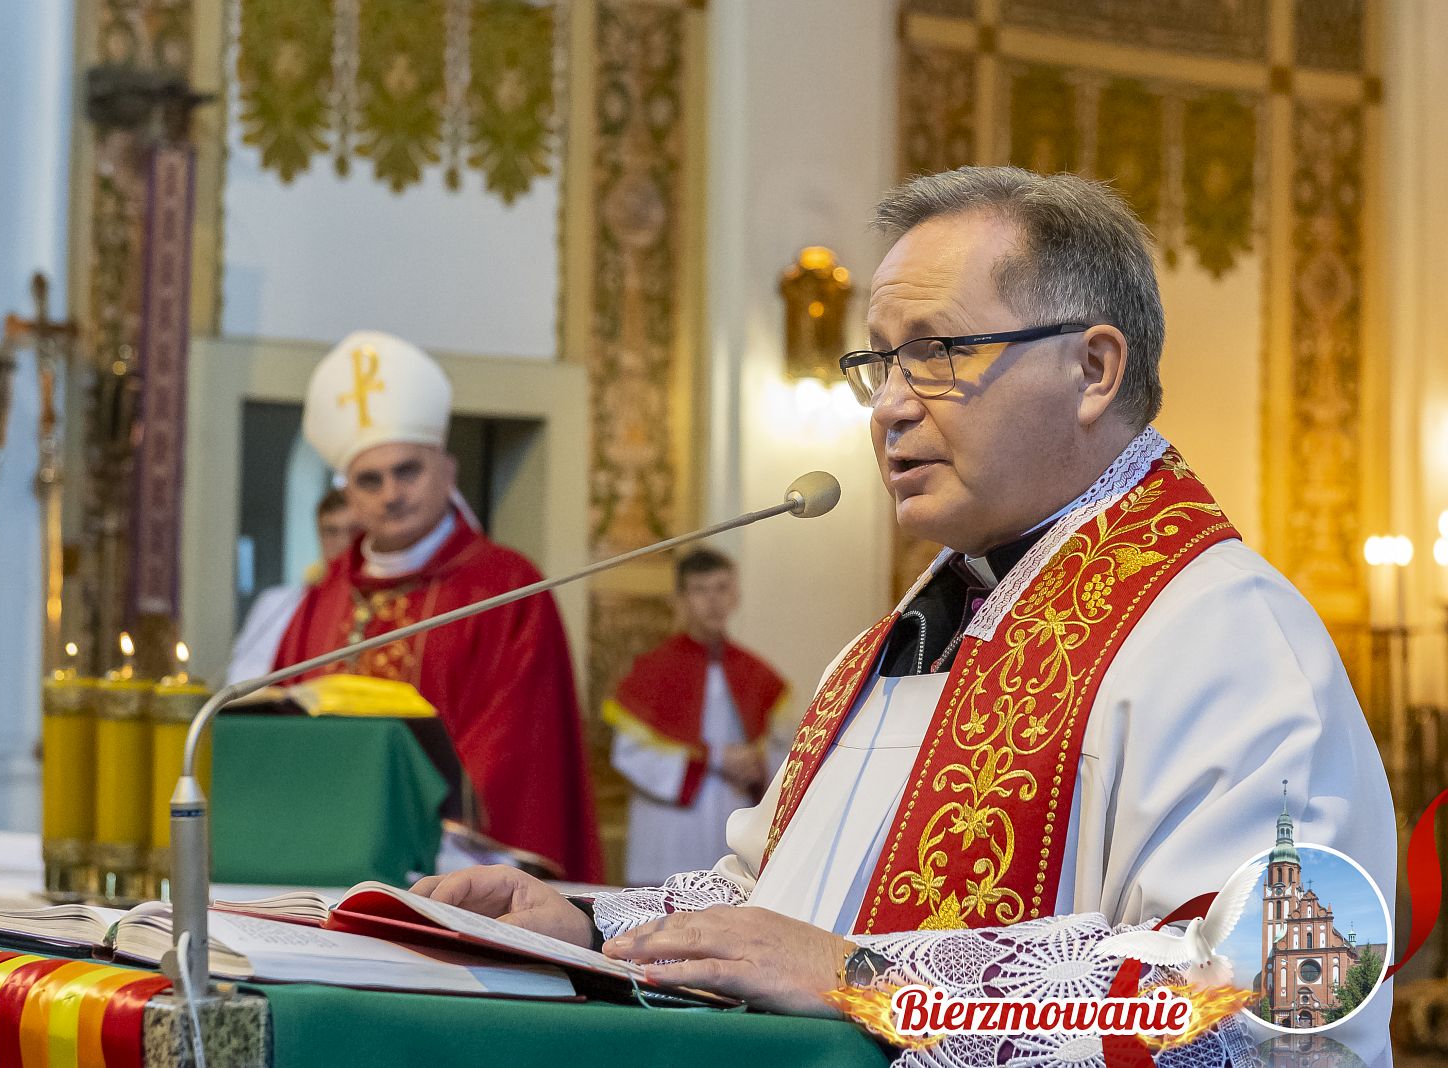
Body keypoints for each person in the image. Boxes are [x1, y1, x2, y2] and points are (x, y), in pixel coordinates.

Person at [412, 168, 1395, 1064]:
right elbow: (768, 902)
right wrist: (591, 926)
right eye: (879, 362)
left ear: (1093, 370)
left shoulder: (1227, 637)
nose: (886, 407)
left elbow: (1273, 998)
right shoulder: (893, 645)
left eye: (932, 354)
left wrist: (870, 982)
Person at [274, 330, 603, 881]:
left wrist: (414, 837)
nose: (391, 494)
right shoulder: (324, 598)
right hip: (324, 866)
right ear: (348, 495)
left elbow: (517, 748)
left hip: (448, 874)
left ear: (447, 472)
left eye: (408, 470)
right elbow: (285, 729)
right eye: (370, 480)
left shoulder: (507, 591)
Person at [605, 547, 788, 885]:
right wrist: (715, 758)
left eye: (722, 588)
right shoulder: (651, 672)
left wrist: (760, 766)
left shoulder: (757, 674)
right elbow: (629, 754)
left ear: (735, 596)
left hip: (731, 817)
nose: (712, 601)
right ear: (680, 600)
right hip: (671, 827)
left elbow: (784, 750)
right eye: (700, 590)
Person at [225, 487, 358, 684]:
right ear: (319, 534)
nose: (344, 542)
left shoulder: (379, 603)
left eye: (355, 531)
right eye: (331, 531)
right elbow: (240, 674)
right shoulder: (276, 602)